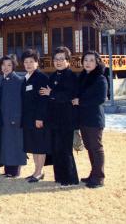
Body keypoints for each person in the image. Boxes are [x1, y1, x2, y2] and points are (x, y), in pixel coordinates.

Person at [39, 47, 79, 186]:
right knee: (55, 149)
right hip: (54, 119)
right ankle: (59, 177)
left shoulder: (71, 76)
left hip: (66, 119)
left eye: (62, 59)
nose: (58, 62)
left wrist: (52, 94)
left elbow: (68, 95)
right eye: (56, 59)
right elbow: (47, 95)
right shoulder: (53, 76)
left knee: (65, 150)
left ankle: (70, 179)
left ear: (68, 61)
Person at [74, 50, 108, 188]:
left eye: (91, 60)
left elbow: (100, 99)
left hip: (94, 119)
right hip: (84, 119)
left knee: (96, 148)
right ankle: (93, 174)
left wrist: (79, 101)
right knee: (89, 147)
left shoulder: (100, 78)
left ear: (97, 62)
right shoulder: (82, 76)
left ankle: (99, 177)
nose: (88, 63)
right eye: (86, 60)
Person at [21, 49, 50, 183]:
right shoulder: (26, 78)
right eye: (26, 62)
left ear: (37, 63)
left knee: (40, 146)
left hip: (38, 119)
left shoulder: (41, 78)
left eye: (31, 62)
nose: (28, 64)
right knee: (33, 145)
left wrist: (40, 118)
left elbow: (43, 100)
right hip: (28, 119)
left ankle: (39, 172)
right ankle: (36, 171)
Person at [0, 55, 27, 178]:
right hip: (3, 118)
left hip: (14, 118)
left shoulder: (19, 80)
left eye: (9, 65)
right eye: (4, 65)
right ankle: (8, 169)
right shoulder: (1, 80)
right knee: (6, 144)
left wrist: (16, 117)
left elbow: (20, 102)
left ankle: (16, 171)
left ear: (14, 66)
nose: (6, 67)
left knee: (16, 144)